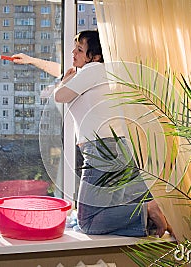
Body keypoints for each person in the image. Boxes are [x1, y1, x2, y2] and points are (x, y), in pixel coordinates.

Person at [13, 30, 172, 238]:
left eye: (80, 49)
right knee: (107, 214)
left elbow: (60, 95)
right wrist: (31, 60)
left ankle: (148, 210)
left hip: (102, 151)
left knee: (88, 221)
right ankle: (150, 219)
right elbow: (62, 71)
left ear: (95, 56)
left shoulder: (94, 70)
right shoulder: (96, 74)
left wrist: (64, 81)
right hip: (113, 149)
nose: (73, 52)